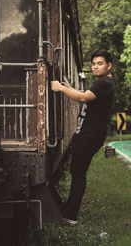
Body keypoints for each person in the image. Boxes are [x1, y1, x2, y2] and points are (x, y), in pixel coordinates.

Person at [51, 48, 115, 225]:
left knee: (78, 173)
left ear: (109, 66)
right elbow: (85, 96)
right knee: (77, 172)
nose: (95, 67)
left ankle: (71, 215)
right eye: (93, 64)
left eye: (100, 64)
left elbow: (84, 98)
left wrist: (60, 89)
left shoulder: (105, 83)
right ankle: (68, 210)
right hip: (87, 135)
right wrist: (68, 87)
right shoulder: (102, 83)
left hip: (89, 136)